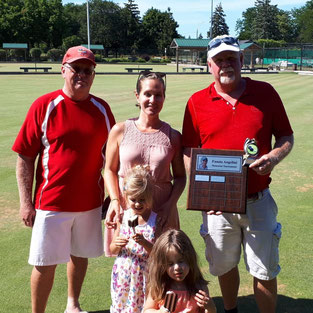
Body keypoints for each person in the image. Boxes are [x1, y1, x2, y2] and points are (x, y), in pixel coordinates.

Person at [182, 35, 294, 313]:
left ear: (242, 60)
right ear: (209, 65)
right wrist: (204, 193)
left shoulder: (265, 93)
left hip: (258, 200)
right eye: (219, 60)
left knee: (265, 270)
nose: (226, 65)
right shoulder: (196, 102)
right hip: (217, 207)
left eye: (231, 58)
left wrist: (273, 157)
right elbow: (188, 151)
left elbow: (285, 135)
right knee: (223, 265)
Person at [12, 46, 115, 313]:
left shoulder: (102, 109)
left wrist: (113, 197)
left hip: (90, 203)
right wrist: (26, 203)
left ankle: (73, 304)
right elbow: (25, 156)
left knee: (79, 257)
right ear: (63, 70)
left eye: (88, 70)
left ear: (93, 74)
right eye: (76, 68)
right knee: (44, 263)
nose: (82, 74)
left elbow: (114, 155)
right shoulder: (45, 106)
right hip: (51, 203)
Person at [104, 70, 186, 256]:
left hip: (163, 211)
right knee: (129, 263)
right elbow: (109, 169)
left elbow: (180, 177)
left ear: (164, 97)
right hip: (128, 208)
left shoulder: (173, 136)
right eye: (147, 94)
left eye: (158, 95)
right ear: (137, 95)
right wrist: (115, 200)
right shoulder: (119, 130)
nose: (153, 100)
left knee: (165, 266)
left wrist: (170, 206)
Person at [110, 165, 158, 313]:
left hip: (145, 274)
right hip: (124, 272)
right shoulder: (123, 217)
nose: (137, 204)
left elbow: (158, 253)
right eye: (133, 199)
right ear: (126, 197)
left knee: (142, 306)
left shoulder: (155, 220)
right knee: (122, 305)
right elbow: (112, 249)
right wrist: (117, 244)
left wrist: (144, 242)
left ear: (149, 197)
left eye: (142, 200)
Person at [143, 229, 216, 313]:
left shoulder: (199, 287)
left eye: (181, 261)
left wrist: (211, 308)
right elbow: (147, 310)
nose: (177, 267)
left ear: (190, 259)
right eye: (170, 264)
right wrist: (160, 312)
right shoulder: (159, 287)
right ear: (162, 266)